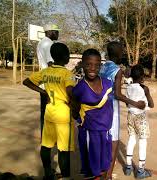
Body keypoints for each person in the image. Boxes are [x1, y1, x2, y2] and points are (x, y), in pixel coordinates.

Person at [23, 43, 75, 180]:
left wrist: (43, 92)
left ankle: (48, 172)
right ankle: (66, 177)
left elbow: (26, 82)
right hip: (63, 114)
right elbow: (70, 92)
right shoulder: (67, 74)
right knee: (63, 149)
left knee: (46, 145)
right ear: (65, 57)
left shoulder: (46, 71)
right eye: (68, 54)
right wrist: (74, 103)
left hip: (49, 112)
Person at [99, 41, 145, 179]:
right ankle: (107, 176)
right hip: (111, 108)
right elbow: (118, 95)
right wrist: (135, 103)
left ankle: (101, 171)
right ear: (118, 53)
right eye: (122, 51)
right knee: (114, 143)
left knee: (102, 140)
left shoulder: (101, 67)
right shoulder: (116, 70)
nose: (123, 53)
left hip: (99, 107)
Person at [72, 49, 114, 179]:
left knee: (104, 163)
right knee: (92, 165)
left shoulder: (108, 83)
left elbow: (110, 105)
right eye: (88, 64)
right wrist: (81, 119)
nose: (92, 68)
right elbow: (74, 108)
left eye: (96, 65)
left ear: (100, 66)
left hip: (105, 131)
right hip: (90, 132)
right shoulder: (79, 88)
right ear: (82, 64)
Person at [124, 64, 154, 179]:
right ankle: (141, 170)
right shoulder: (144, 88)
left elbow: (127, 103)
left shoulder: (128, 87)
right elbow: (152, 105)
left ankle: (128, 167)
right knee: (142, 141)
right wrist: (147, 95)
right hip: (140, 117)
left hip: (130, 115)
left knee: (131, 138)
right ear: (142, 76)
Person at [37, 24, 60, 135]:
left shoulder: (41, 42)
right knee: (51, 113)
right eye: (56, 32)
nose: (58, 34)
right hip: (50, 83)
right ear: (50, 32)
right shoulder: (49, 44)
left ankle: (45, 139)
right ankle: (48, 140)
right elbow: (51, 64)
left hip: (43, 82)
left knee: (44, 112)